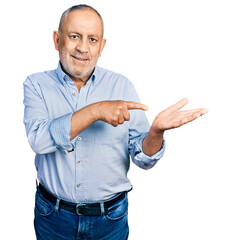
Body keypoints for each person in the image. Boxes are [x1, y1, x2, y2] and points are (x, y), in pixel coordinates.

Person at [23, 4, 208, 240]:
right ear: (57, 39)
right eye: (74, 36)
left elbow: (143, 158)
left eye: (92, 39)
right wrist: (96, 111)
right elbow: (39, 141)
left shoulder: (122, 86)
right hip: (53, 216)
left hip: (110, 219)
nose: (82, 47)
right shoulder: (36, 85)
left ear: (102, 47)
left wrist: (155, 132)